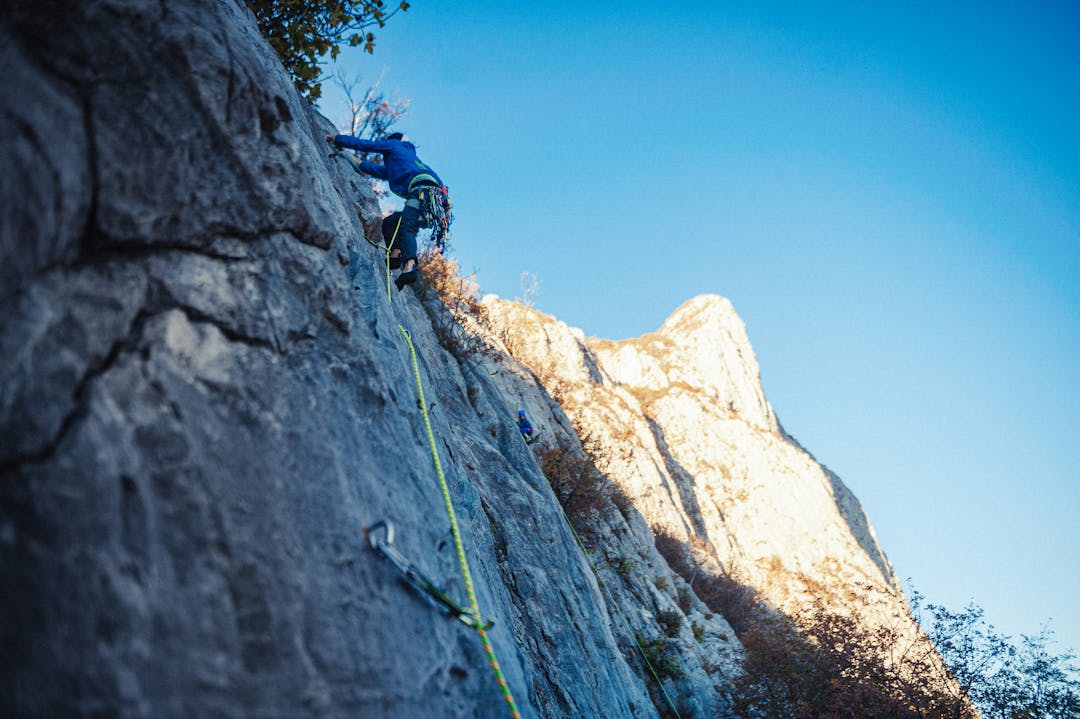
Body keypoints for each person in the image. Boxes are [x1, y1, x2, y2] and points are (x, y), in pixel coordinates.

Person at [327, 131, 444, 290]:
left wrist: (337, 139)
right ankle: (395, 256)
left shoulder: (395, 145)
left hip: (423, 192)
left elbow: (364, 144)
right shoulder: (404, 162)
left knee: (407, 228)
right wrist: (344, 153)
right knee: (390, 223)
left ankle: (410, 267)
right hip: (436, 205)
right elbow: (364, 166)